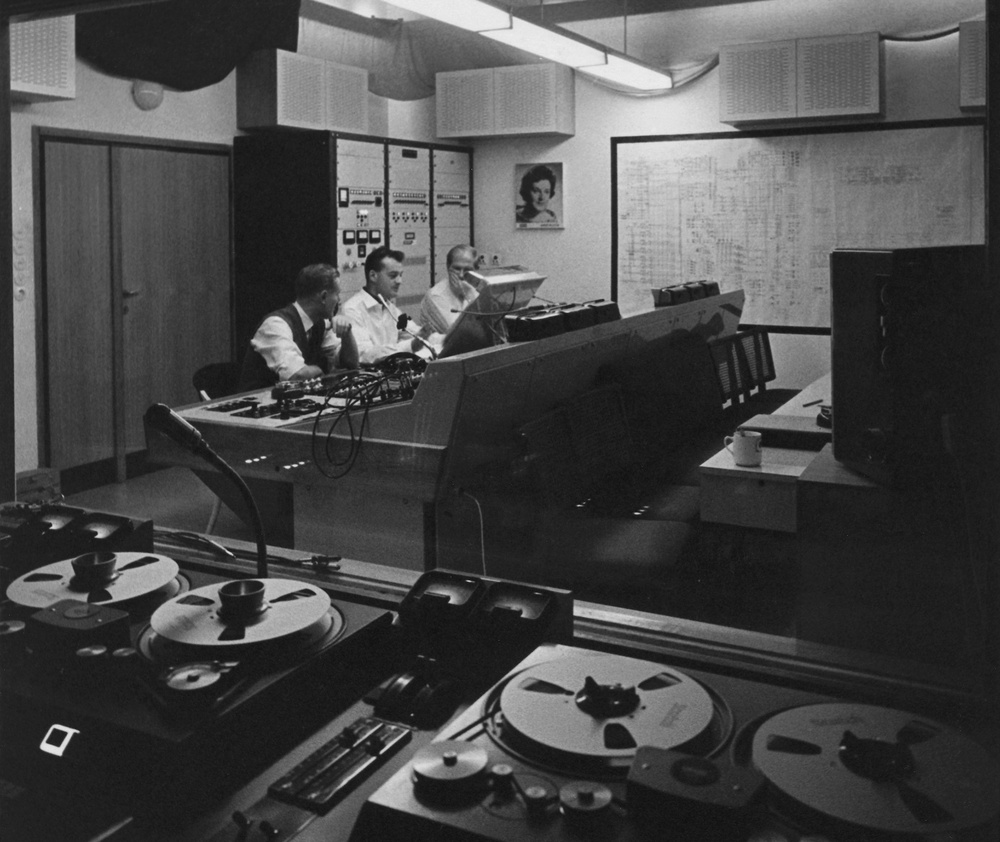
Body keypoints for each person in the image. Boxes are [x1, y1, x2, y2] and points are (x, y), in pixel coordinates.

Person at [238, 263, 358, 391]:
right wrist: (325, 370)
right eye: (337, 294)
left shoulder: (320, 324)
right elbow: (297, 375)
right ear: (323, 296)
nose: (339, 300)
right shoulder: (275, 325)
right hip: (259, 403)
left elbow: (351, 363)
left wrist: (347, 334)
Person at [342, 245, 443, 364]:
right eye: (393, 276)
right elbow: (365, 354)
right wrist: (410, 346)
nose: (399, 281)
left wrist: (449, 338)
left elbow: (416, 334)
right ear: (373, 276)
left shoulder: (389, 307)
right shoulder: (353, 309)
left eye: (401, 275)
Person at [419, 244, 479, 335]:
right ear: (447, 267)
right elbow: (458, 334)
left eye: (467, 269)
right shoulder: (436, 295)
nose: (461, 275)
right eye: (457, 268)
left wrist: (469, 293)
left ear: (475, 271)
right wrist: (468, 294)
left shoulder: (473, 289)